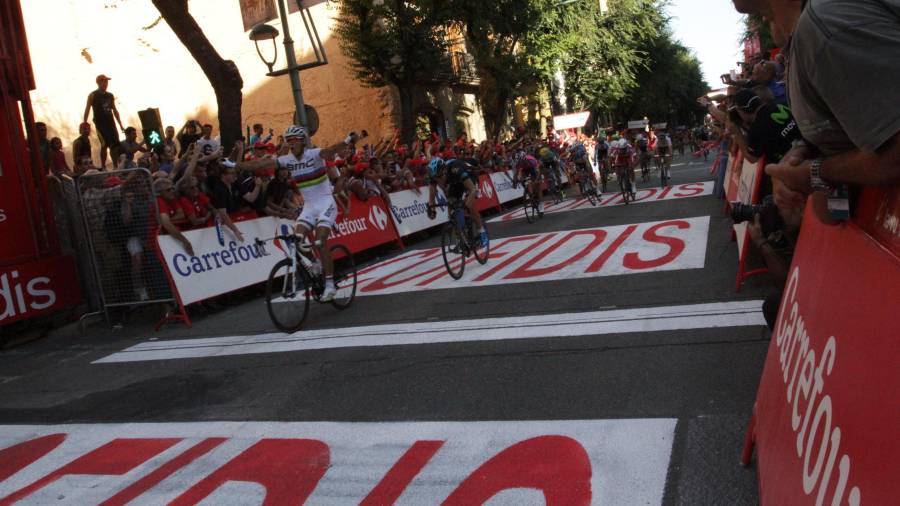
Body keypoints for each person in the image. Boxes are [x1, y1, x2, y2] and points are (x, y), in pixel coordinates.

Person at [232, 125, 357, 302]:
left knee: (321, 240)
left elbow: (331, 151)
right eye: (288, 140)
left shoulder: (314, 154)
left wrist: (347, 140)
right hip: (309, 207)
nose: (291, 143)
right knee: (296, 241)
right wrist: (236, 164)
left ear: (303, 141)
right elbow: (260, 164)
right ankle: (315, 263)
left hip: (325, 203)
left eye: (294, 140)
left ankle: (329, 285)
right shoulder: (286, 160)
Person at [426, 157, 488, 247]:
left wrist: (466, 205)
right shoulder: (433, 175)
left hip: (470, 177)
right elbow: (432, 195)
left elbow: (472, 190)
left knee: (469, 205)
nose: (439, 180)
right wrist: (432, 210)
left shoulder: (455, 169)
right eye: (436, 178)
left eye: (440, 177)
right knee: (451, 207)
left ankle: (482, 233)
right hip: (455, 182)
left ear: (444, 170)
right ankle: (460, 239)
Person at [83, 75, 124, 168]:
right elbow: (87, 108)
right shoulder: (93, 95)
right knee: (104, 145)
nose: (105, 84)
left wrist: (120, 124)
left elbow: (115, 110)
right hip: (100, 124)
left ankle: (115, 165)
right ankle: (103, 166)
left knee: (114, 145)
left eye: (106, 82)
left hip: (111, 122)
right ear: (98, 83)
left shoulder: (110, 95)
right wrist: (85, 122)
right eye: (103, 81)